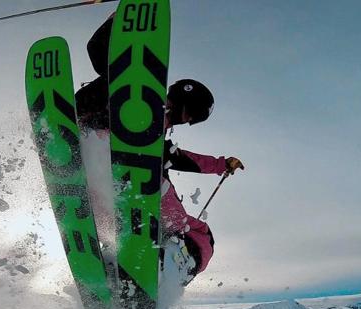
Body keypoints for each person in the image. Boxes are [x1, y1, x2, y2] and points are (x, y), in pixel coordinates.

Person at [75, 15, 244, 284]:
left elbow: (96, 51)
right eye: (194, 116)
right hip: (134, 178)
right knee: (198, 234)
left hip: (100, 175)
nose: (188, 122)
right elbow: (177, 157)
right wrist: (220, 165)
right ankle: (170, 264)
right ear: (186, 103)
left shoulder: (143, 110)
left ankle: (122, 270)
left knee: (127, 229)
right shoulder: (146, 107)